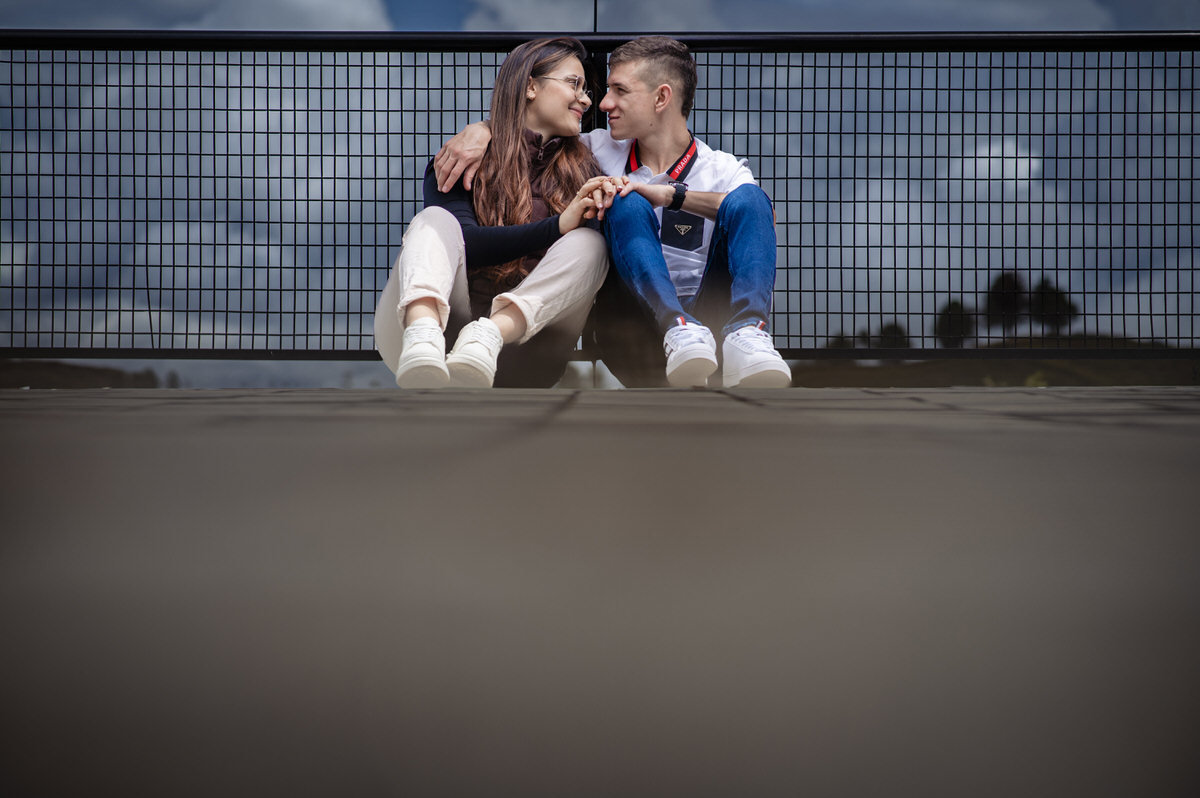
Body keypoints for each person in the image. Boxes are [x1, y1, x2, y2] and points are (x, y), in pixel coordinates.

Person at [435, 36, 791, 388]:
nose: (603, 103)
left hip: (712, 331)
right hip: (635, 331)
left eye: (619, 90)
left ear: (661, 98)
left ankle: (748, 331)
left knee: (750, 198)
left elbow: (760, 215)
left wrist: (670, 195)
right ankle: (676, 327)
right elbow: (531, 130)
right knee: (625, 197)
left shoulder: (723, 169)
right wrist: (481, 131)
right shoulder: (592, 149)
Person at [374, 37, 615, 389]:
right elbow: (469, 242)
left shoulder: (587, 167)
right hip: (442, 335)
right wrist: (557, 226)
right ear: (530, 87)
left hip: (525, 348)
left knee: (590, 244)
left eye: (586, 89)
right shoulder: (461, 158)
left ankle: (486, 335)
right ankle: (422, 332)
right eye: (573, 84)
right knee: (434, 220)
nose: (586, 99)